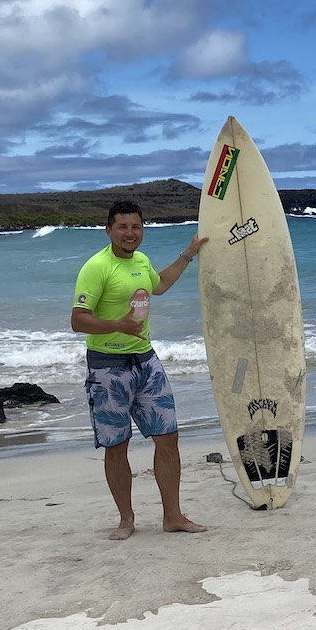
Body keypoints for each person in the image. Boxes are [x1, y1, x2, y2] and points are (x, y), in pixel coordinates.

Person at [71, 200, 208, 540]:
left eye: (136, 227)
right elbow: (78, 320)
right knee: (117, 446)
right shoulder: (97, 267)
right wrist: (117, 324)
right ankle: (126, 519)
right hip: (107, 370)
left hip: (146, 362)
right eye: (122, 227)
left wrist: (189, 254)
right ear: (109, 230)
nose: (130, 234)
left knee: (169, 438)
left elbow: (158, 285)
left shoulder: (142, 261)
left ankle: (172, 516)